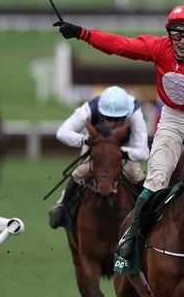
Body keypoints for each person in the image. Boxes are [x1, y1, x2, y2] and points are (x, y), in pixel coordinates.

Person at [53, 4, 184, 273]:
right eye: (177, 34)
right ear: (169, 34)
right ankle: (132, 238)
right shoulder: (159, 49)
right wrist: (82, 33)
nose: (182, 41)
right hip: (172, 117)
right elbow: (120, 45)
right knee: (156, 177)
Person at [48, 85, 150, 229]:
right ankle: (62, 205)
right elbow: (62, 132)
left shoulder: (134, 111)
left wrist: (120, 152)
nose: (113, 123)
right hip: (96, 142)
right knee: (81, 171)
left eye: (118, 118)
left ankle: (149, 210)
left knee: (134, 173)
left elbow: (143, 151)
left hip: (123, 145)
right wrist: (83, 140)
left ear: (125, 114)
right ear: (101, 112)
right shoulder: (90, 108)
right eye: (108, 118)